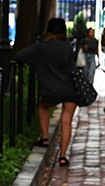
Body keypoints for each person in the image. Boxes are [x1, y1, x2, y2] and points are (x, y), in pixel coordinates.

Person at [14, 18, 78, 167]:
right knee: (66, 121)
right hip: (70, 88)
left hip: (51, 89)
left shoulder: (41, 47)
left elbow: (19, 56)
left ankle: (44, 137)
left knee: (43, 107)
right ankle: (62, 157)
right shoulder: (67, 46)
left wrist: (36, 63)